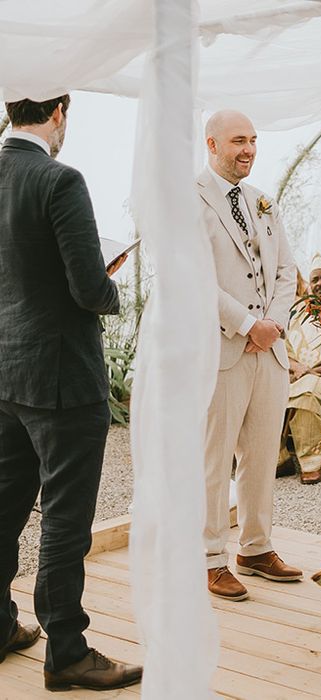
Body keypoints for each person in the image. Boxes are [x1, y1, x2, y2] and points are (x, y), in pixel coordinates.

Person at [0, 95, 142, 690]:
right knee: (65, 517)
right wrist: (111, 286)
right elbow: (87, 288)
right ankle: (66, 650)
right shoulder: (59, 179)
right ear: (59, 111)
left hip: (6, 371)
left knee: (4, 505)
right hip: (61, 375)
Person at [198, 110, 301, 602]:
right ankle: (210, 557)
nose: (249, 150)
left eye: (255, 141)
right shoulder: (190, 199)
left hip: (269, 348)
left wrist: (273, 325)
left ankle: (256, 547)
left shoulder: (263, 200)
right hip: (222, 347)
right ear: (212, 143)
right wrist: (246, 324)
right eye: (239, 141)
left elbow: (286, 268)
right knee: (214, 458)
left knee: (261, 455)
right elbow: (195, 277)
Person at [278, 254, 321, 484]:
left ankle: (309, 464)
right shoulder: (296, 311)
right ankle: (279, 460)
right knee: (261, 393)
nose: (320, 283)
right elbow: (281, 343)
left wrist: (317, 370)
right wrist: (294, 367)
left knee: (307, 394)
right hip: (296, 373)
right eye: (315, 280)